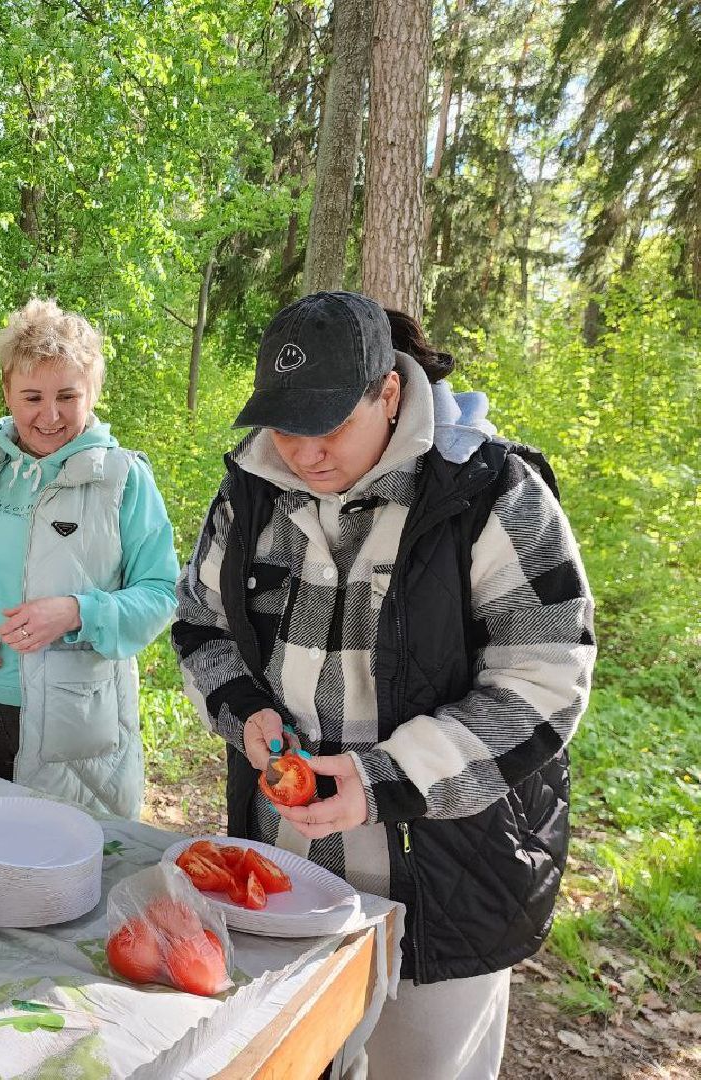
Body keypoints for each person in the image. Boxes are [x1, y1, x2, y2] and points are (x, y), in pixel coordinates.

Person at [172, 291, 594, 1079]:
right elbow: (201, 626)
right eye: (286, 427)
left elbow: (545, 678)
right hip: (288, 864)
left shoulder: (490, 492)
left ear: (390, 393)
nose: (304, 452)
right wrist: (244, 711)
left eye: (329, 427)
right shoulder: (250, 491)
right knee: (299, 1058)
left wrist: (382, 779)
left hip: (446, 878)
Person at [0, 299, 180, 818]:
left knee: (53, 879)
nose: (48, 416)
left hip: (73, 735)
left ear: (91, 394)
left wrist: (78, 612)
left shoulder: (122, 480)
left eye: (67, 396)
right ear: (7, 392)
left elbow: (163, 592)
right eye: (31, 396)